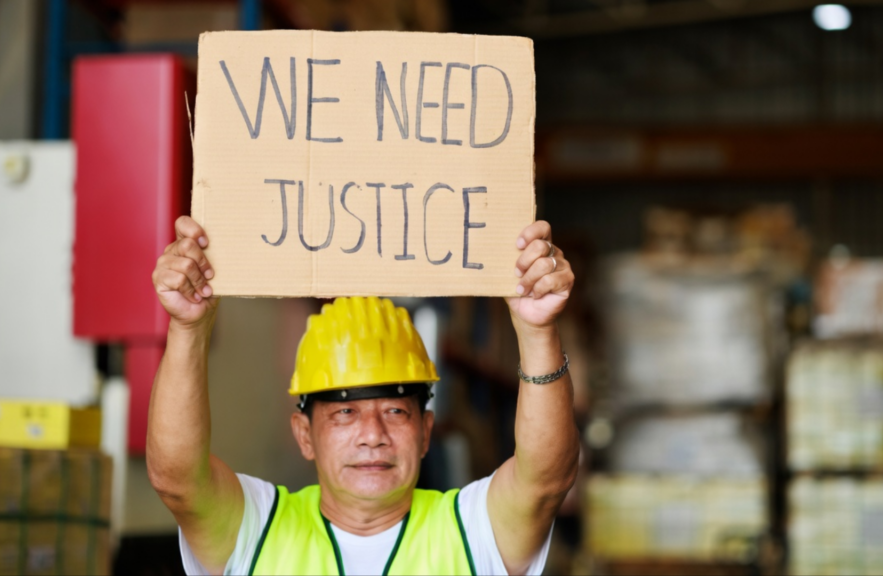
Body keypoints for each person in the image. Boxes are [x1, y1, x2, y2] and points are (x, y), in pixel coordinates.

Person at [147, 216, 578, 575]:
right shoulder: (258, 530)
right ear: (304, 434)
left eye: (394, 410)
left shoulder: (471, 531)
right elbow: (177, 479)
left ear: (426, 431)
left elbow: (546, 480)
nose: (373, 434)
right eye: (345, 412)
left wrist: (537, 332)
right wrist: (188, 329)